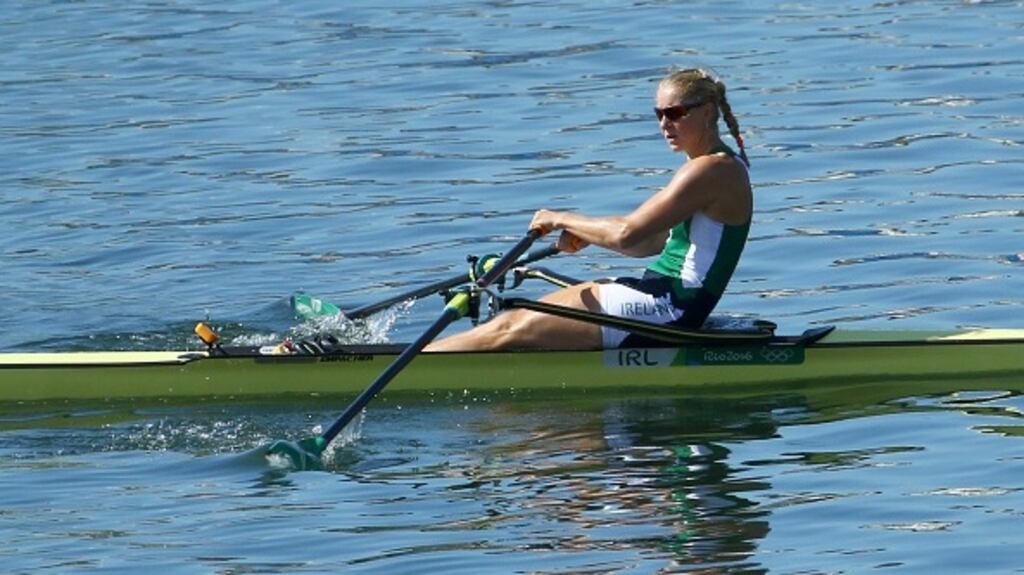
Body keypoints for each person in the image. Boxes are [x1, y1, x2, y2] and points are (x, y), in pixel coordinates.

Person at [426, 68, 752, 352]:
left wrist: (559, 218)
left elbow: (627, 234)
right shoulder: (706, 168)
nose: (665, 123)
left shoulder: (712, 170)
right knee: (510, 321)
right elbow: (649, 244)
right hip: (657, 296)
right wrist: (590, 235)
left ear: (707, 112)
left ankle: (409, 368)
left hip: (671, 309)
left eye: (676, 112)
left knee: (507, 330)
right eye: (659, 114)